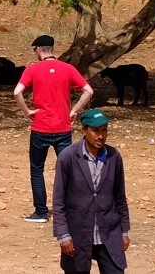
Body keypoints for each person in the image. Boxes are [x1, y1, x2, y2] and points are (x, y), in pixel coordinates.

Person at [13, 34, 94, 223]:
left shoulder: (33, 69)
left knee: (37, 169)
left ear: (39, 50)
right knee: (68, 169)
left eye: (34, 50)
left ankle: (41, 212)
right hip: (62, 128)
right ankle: (71, 209)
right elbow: (88, 91)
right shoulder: (67, 68)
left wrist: (27, 111)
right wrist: (74, 111)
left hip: (40, 127)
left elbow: (17, 92)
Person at [53, 109, 130, 274]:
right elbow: (58, 200)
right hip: (78, 232)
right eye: (95, 131)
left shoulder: (114, 157)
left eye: (104, 130)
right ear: (84, 130)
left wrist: (124, 230)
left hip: (108, 231)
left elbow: (120, 197)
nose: (100, 136)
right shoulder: (68, 157)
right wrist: (63, 235)